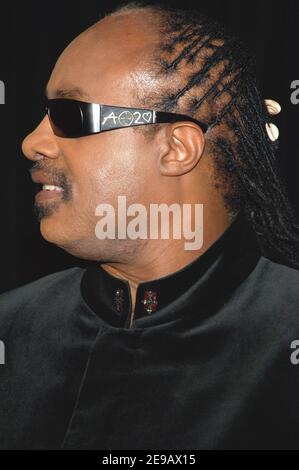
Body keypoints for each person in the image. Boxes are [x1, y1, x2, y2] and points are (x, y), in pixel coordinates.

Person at [0, 1, 298, 450]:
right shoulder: (12, 329)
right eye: (44, 114)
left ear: (177, 148)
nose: (32, 142)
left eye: (70, 115)